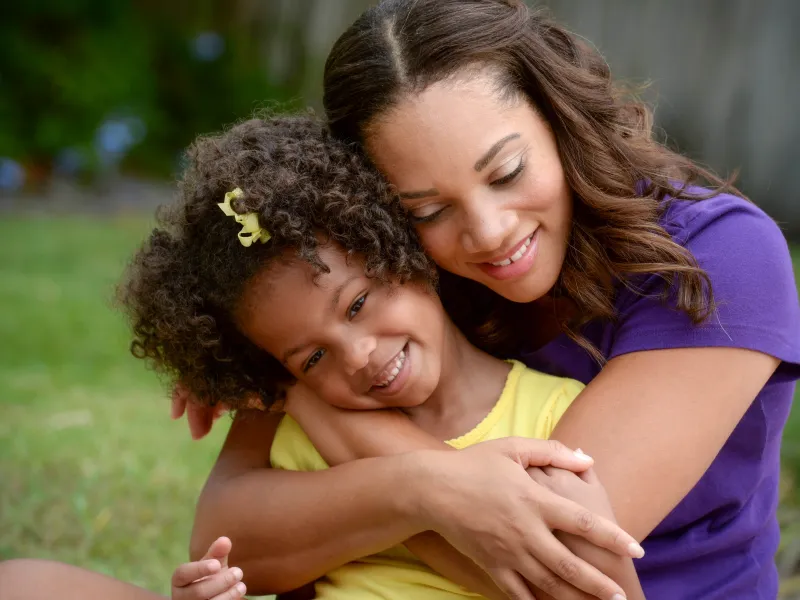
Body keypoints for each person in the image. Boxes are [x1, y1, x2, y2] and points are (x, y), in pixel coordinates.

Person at [178, 2, 800, 599]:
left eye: (506, 172)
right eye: (429, 209)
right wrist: (422, 486)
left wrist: (293, 391)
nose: (489, 233)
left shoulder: (717, 259)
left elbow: (564, 558)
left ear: (557, 117)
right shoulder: (385, 283)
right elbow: (228, 541)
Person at [0, 115, 643, 600]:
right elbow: (237, 553)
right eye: (309, 359)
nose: (358, 357)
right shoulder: (294, 442)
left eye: (359, 304)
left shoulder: (558, 421)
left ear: (407, 251)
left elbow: (596, 581)